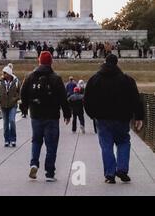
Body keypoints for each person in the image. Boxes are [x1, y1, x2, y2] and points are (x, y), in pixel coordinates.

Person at [84, 54, 144, 184]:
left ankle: (110, 174)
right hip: (122, 118)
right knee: (123, 142)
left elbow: (87, 99)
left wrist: (92, 115)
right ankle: (122, 169)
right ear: (117, 63)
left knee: (106, 145)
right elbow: (136, 99)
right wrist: (139, 116)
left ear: (105, 62)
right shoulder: (127, 80)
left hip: (102, 118)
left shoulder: (95, 79)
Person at [20, 51, 71, 182]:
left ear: (39, 61)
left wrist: (25, 107)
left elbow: (23, 93)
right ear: (50, 62)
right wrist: (67, 113)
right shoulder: (56, 78)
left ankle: (34, 163)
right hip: (52, 115)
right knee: (51, 144)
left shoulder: (30, 77)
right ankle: (49, 173)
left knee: (36, 140)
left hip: (36, 114)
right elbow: (63, 98)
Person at [0, 65, 20, 147]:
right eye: (3, 73)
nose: (3, 74)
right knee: (5, 123)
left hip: (12, 105)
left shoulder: (16, 81)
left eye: (5, 73)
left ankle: (13, 139)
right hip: (3, 105)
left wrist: (15, 98)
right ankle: (6, 139)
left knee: (12, 121)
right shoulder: (0, 81)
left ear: (9, 74)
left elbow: (20, 91)